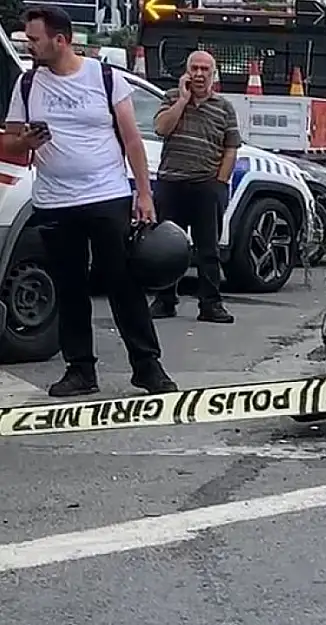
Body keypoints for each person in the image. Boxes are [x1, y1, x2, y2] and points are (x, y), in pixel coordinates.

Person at [2, 6, 176, 397]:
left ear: (59, 40)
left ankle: (147, 367)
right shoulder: (28, 85)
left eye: (34, 38)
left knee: (122, 282)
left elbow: (132, 139)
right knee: (69, 286)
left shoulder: (105, 77)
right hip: (53, 200)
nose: (28, 45)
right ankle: (80, 370)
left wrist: (144, 194)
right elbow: (10, 139)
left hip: (106, 195)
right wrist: (25, 141)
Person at [149, 50, 239, 324]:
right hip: (171, 183)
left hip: (205, 186)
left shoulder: (224, 107)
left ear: (213, 74)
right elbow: (161, 129)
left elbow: (231, 148)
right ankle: (165, 301)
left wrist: (219, 183)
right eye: (194, 69)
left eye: (205, 70)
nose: (199, 75)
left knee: (207, 249)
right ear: (186, 72)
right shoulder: (171, 98)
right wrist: (183, 100)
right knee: (167, 248)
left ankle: (210, 304)